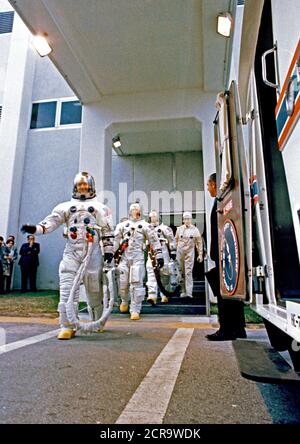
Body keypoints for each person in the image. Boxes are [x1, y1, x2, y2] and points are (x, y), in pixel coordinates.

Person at [21, 172, 114, 340]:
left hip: (92, 254)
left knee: (94, 289)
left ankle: (96, 321)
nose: (83, 187)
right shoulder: (65, 207)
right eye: (80, 185)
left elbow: (107, 232)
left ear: (91, 186)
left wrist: (108, 253)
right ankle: (67, 325)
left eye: (85, 184)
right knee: (66, 289)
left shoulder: (100, 208)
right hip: (72, 253)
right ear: (75, 186)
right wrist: (34, 229)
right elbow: (50, 223)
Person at [205, 173, 246, 341]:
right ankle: (238, 328)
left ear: (214, 184)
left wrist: (218, 252)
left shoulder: (222, 201)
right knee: (232, 293)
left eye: (208, 185)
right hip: (225, 252)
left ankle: (226, 329)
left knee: (226, 293)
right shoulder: (221, 201)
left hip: (224, 253)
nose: (208, 188)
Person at [114, 203, 164, 320]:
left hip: (138, 258)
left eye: (137, 209)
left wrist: (159, 255)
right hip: (124, 258)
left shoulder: (145, 226)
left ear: (141, 211)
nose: (135, 211)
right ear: (129, 211)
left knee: (136, 283)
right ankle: (124, 300)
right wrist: (110, 254)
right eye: (133, 209)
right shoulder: (123, 225)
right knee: (122, 282)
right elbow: (115, 241)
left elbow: (154, 240)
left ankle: (135, 309)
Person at [146, 210, 177, 305]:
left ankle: (164, 294)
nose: (153, 218)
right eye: (152, 216)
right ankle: (152, 295)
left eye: (155, 216)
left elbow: (172, 240)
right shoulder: (146, 228)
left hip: (163, 251)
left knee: (165, 273)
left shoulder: (165, 228)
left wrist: (173, 252)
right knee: (151, 273)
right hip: (151, 253)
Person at [175, 212, 203, 298]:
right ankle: (183, 290)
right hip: (180, 252)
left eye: (189, 219)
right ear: (183, 220)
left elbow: (199, 242)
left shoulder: (195, 230)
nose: (187, 220)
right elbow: (175, 240)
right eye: (185, 219)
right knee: (180, 272)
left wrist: (200, 254)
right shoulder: (179, 229)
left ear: (191, 220)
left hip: (189, 253)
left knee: (188, 272)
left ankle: (189, 292)